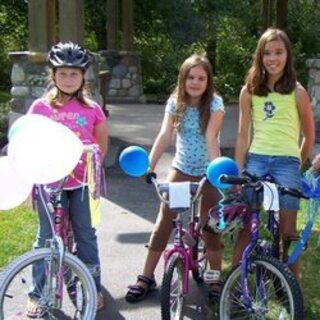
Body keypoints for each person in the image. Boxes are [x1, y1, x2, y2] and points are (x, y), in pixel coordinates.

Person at [125, 53, 225, 303]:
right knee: (164, 221)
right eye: (190, 77)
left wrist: (217, 171)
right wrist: (150, 165)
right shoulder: (174, 102)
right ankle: (146, 277)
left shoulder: (215, 104)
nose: (195, 82)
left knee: (210, 226)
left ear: (208, 81)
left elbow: (212, 138)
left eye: (201, 78)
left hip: (208, 170)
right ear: (183, 79)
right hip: (181, 168)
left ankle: (214, 279)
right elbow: (165, 134)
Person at [26, 42, 108, 317]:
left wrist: (91, 154)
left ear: (83, 76)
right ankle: (38, 293)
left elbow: (101, 145)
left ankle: (92, 287)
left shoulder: (93, 109)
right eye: (62, 74)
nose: (68, 79)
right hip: (50, 182)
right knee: (46, 238)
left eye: (74, 74)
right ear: (53, 75)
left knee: (86, 235)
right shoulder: (40, 108)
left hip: (82, 183)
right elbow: (30, 141)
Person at [233, 28, 315, 280]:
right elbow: (242, 134)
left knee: (288, 231)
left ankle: (291, 286)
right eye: (267, 53)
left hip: (287, 162)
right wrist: (238, 171)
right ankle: (235, 281)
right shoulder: (249, 91)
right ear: (260, 56)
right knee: (248, 222)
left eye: (279, 52)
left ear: (287, 55)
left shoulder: (298, 92)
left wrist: (295, 164)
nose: (273, 58)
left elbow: (309, 136)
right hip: (256, 159)